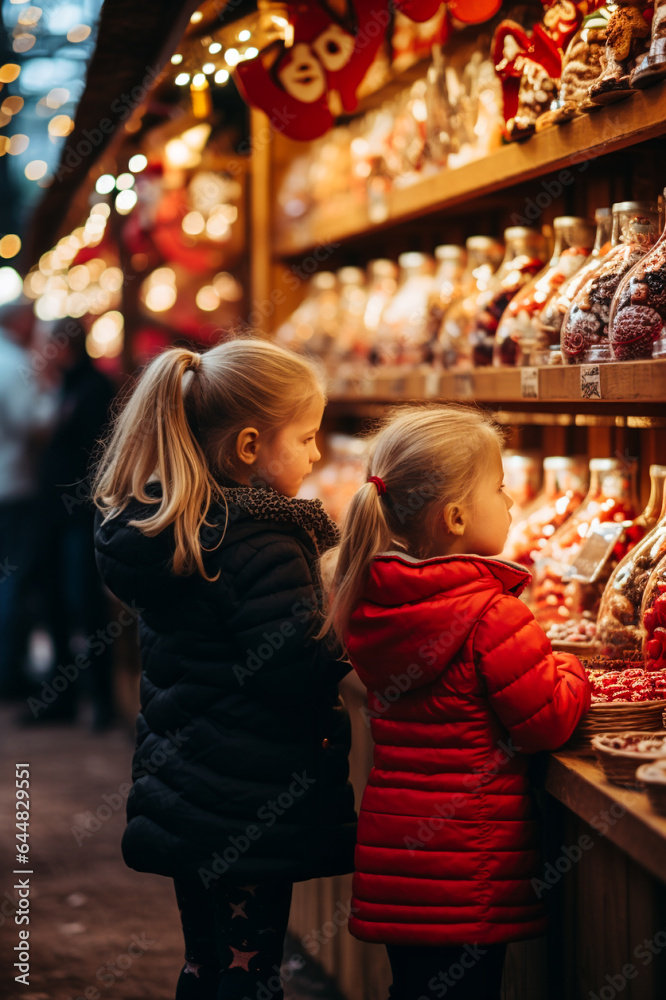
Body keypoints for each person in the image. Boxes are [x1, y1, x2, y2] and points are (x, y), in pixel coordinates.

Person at [92, 338, 357, 1000]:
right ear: (248, 448)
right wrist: (345, 636)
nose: (316, 455)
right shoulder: (264, 543)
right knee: (251, 972)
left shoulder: (181, 530)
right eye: (306, 438)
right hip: (251, 801)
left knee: (204, 963)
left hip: (188, 793)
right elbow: (293, 667)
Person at [320, 404, 591, 1000]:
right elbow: (545, 721)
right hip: (467, 869)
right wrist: (574, 669)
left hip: (400, 862)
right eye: (499, 488)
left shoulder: (371, 601)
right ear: (457, 515)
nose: (512, 501)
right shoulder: (492, 613)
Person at [25, 318, 117, 728]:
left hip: (79, 519)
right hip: (54, 518)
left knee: (86, 606)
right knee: (57, 604)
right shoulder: (63, 385)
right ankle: (61, 698)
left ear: (63, 345)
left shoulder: (95, 388)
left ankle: (101, 700)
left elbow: (96, 458)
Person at [0, 299, 59, 699]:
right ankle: (10, 675)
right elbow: (32, 426)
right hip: (15, 487)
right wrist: (53, 392)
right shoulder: (14, 364)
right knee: (14, 582)